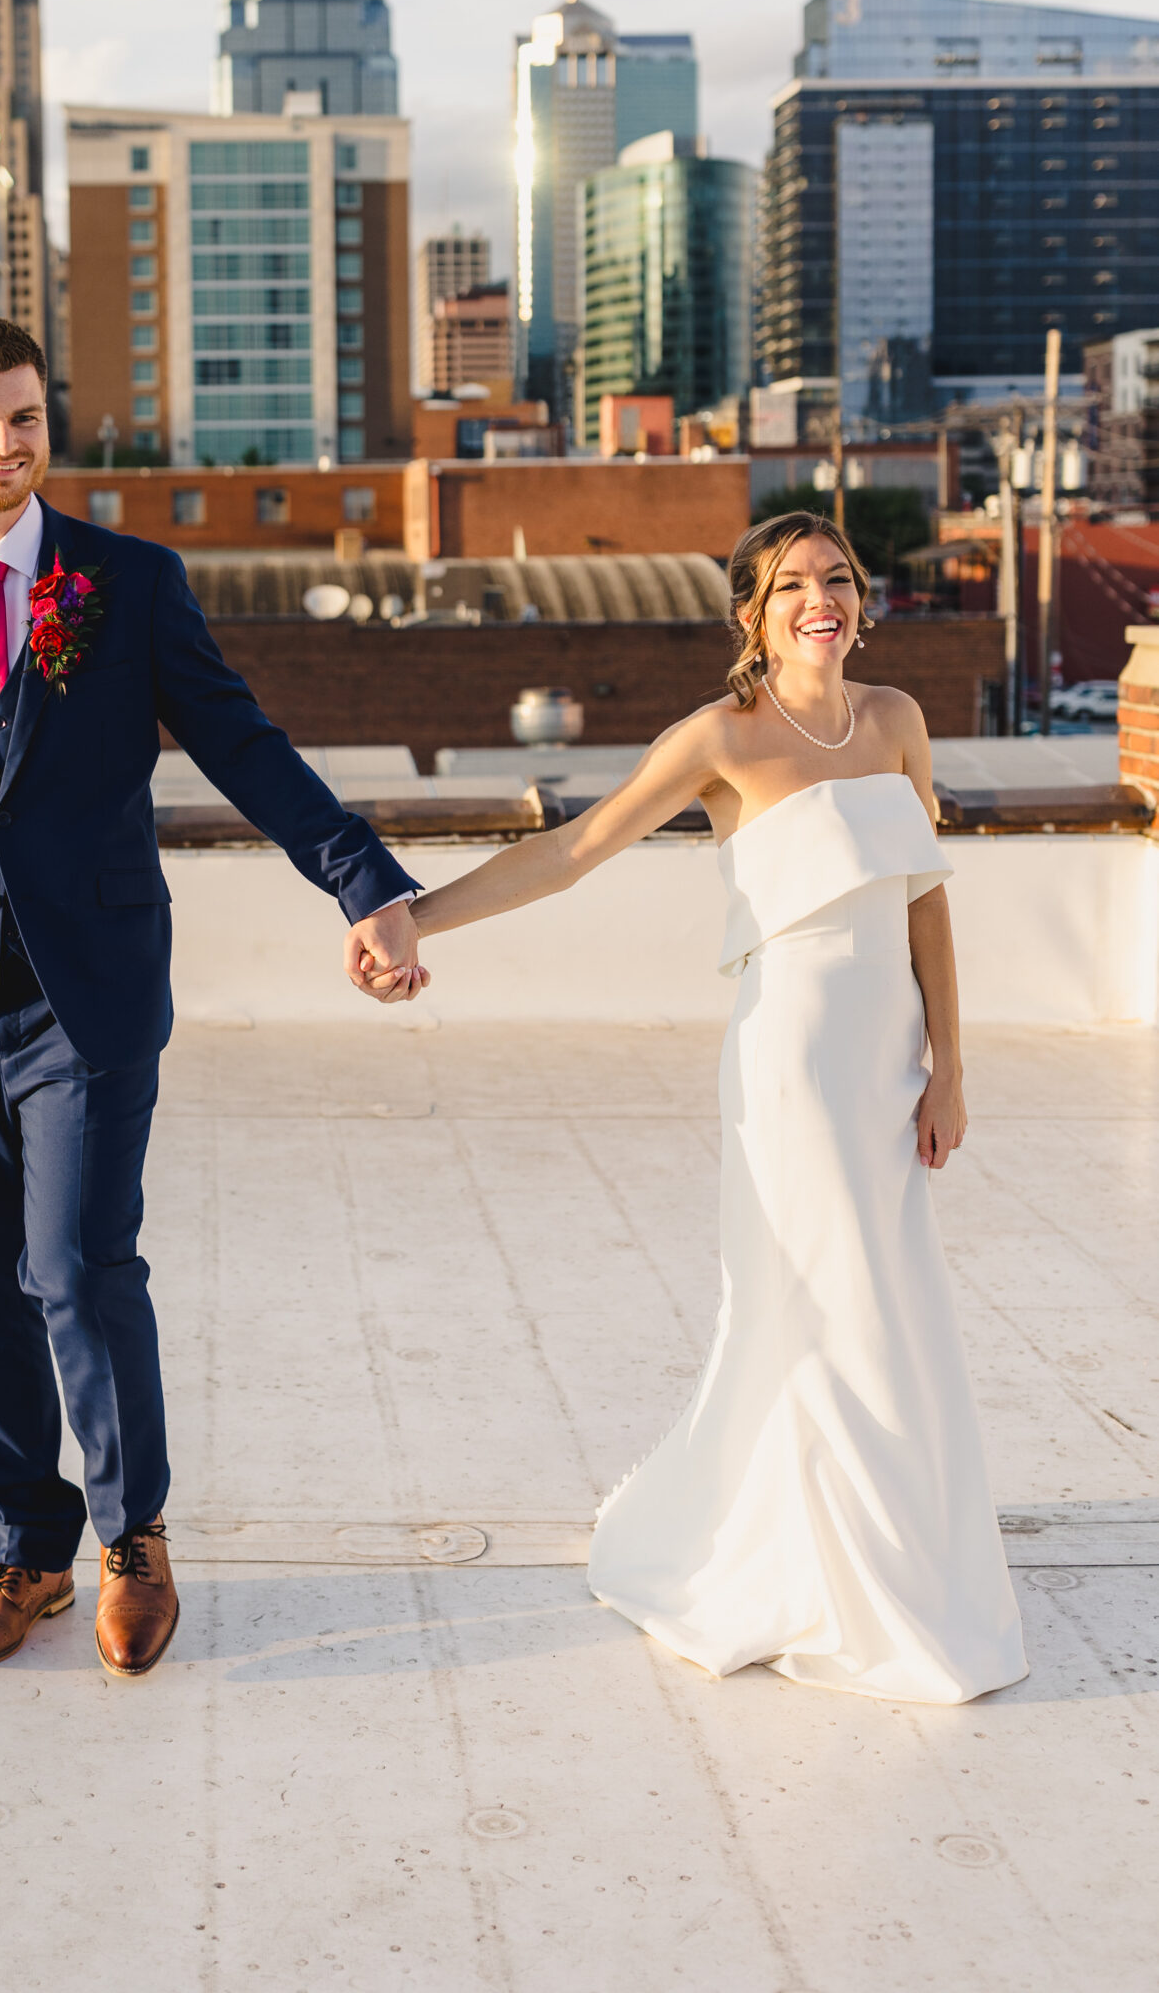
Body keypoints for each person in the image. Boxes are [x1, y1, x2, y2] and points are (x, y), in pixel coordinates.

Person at [0, 313, 425, 1677]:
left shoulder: (125, 583)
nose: (3, 443)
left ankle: (134, 1536)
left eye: (24, 418)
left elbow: (240, 739)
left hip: (90, 993)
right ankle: (28, 1554)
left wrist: (359, 878)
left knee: (75, 1265)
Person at [384, 511, 1028, 1704]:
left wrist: (949, 1066)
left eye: (836, 579)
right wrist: (412, 916)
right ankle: (811, 1569)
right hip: (788, 1061)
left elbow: (924, 903)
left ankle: (889, 1551)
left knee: (887, 1296)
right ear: (749, 612)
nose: (818, 600)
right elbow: (572, 849)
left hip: (886, 1059)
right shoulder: (717, 737)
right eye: (790, 586)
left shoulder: (893, 719)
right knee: (815, 1301)